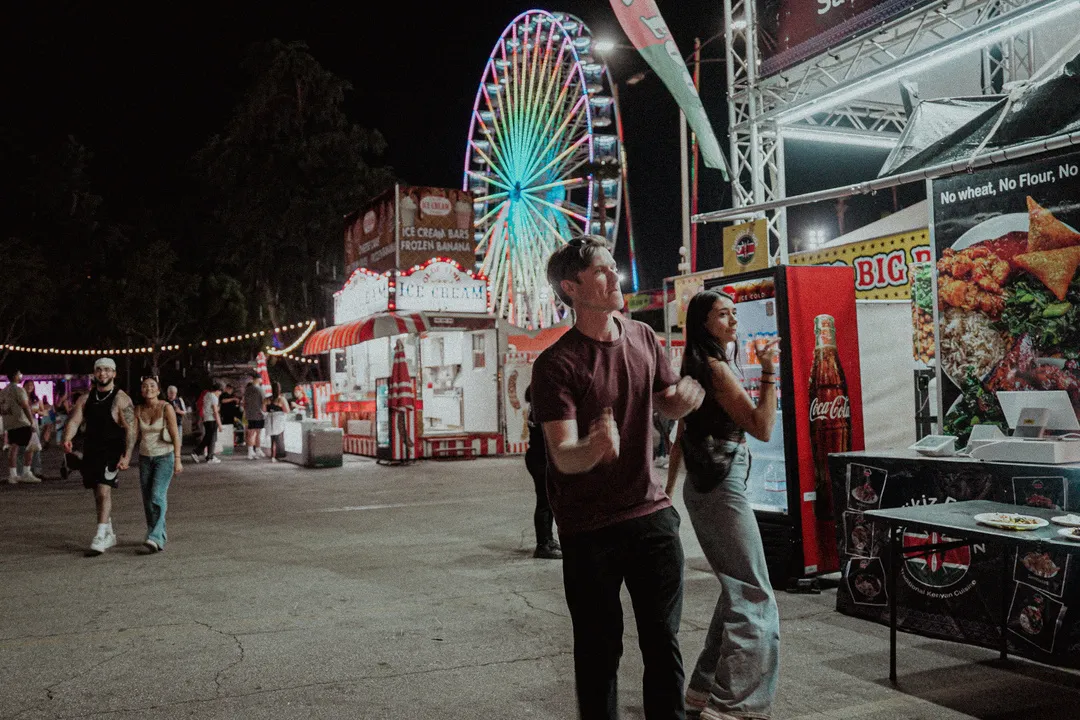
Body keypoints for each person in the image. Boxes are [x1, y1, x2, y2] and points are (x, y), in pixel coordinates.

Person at [530, 235, 706, 720]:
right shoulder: (556, 364)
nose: (615, 277)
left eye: (614, 266)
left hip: (650, 516)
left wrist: (682, 402)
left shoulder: (644, 337)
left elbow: (665, 400)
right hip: (590, 529)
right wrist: (592, 447)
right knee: (598, 650)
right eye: (601, 271)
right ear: (571, 287)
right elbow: (563, 456)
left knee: (663, 642)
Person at [665, 289, 782, 720]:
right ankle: (735, 706)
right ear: (703, 323)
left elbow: (682, 436)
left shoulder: (698, 365)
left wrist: (669, 492)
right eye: (722, 315)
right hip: (721, 486)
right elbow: (762, 427)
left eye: (734, 313)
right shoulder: (715, 368)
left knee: (737, 589)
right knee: (754, 595)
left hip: (707, 486)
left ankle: (702, 691)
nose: (733, 321)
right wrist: (769, 373)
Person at [62, 358, 138, 555]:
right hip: (91, 450)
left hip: (111, 451)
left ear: (114, 373)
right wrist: (68, 438)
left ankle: (100, 535)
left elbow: (131, 429)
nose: (103, 373)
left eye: (107, 370)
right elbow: (75, 421)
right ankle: (109, 533)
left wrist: (127, 455)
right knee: (97, 492)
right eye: (99, 370)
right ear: (94, 373)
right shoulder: (85, 398)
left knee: (104, 491)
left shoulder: (122, 399)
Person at [135, 376, 182, 552]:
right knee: (147, 500)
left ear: (158, 389)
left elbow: (175, 434)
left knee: (157, 495)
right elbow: (132, 435)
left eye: (152, 385)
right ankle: (156, 535)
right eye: (145, 386)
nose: (148, 388)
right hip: (144, 458)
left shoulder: (166, 407)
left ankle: (154, 537)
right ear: (141, 391)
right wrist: (125, 456)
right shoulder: (138, 409)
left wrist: (178, 459)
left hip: (165, 457)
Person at [523, 384, 560, 560]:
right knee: (544, 502)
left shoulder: (534, 407)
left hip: (537, 458)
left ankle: (548, 539)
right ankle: (543, 545)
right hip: (540, 460)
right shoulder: (542, 410)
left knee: (548, 501)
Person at [1, 370, 42, 483]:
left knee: (13, 447)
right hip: (22, 422)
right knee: (31, 446)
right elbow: (25, 406)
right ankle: (26, 472)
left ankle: (13, 475)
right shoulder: (19, 390)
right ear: (15, 376)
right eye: (19, 374)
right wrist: (31, 421)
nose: (21, 376)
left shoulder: (3, 391)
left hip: (9, 423)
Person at [191, 382, 222, 464]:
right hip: (212, 420)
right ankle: (206, 455)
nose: (220, 394)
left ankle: (209, 455)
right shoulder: (214, 397)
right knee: (211, 438)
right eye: (220, 392)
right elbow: (215, 412)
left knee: (209, 438)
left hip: (206, 419)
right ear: (218, 390)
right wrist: (219, 424)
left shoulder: (207, 395)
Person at [264, 382, 290, 462]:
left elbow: (264, 410)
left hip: (270, 419)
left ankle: (273, 455)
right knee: (279, 438)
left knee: (273, 438)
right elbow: (287, 410)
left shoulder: (267, 399)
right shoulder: (281, 399)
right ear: (279, 389)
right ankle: (279, 455)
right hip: (278, 420)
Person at [243, 374, 266, 460]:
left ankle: (250, 452)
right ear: (258, 379)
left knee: (250, 433)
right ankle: (258, 450)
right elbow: (264, 402)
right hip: (258, 414)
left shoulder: (247, 389)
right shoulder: (260, 389)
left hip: (249, 414)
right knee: (258, 433)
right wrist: (264, 412)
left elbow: (244, 402)